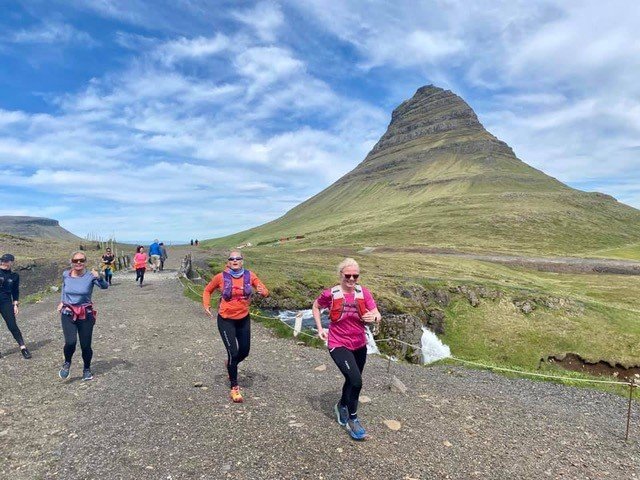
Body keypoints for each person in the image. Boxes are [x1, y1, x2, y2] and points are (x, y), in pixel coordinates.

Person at [312, 258, 381, 441]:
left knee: (352, 379)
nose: (351, 279)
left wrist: (374, 318)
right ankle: (353, 420)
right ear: (341, 275)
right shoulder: (331, 294)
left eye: (355, 276)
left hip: (359, 344)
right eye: (347, 275)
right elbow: (316, 306)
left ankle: (341, 405)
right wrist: (320, 328)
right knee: (357, 381)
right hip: (338, 343)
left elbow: (376, 313)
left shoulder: (363, 293)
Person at [202, 250, 269, 403]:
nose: (235, 261)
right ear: (228, 262)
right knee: (233, 352)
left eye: (238, 258)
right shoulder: (220, 277)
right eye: (232, 259)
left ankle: (231, 364)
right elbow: (207, 290)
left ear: (242, 261)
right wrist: (206, 305)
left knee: (244, 352)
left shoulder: (250, 276)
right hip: (226, 320)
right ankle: (234, 387)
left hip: (243, 318)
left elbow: (265, 291)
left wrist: (262, 291)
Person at [57, 251, 108, 380]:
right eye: (75, 261)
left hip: (86, 314)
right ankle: (67, 363)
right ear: (71, 262)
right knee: (70, 342)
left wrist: (99, 277)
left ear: (85, 262)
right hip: (68, 313)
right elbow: (64, 288)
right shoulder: (66, 274)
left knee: (85, 345)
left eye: (81, 260)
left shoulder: (91, 276)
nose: (78, 263)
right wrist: (62, 301)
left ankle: (86, 368)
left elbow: (105, 287)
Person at [0, 254, 31, 359]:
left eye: (6, 261)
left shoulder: (14, 276)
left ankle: (23, 348)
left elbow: (15, 291)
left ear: (11, 262)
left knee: (12, 325)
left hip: (5, 302)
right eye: (2, 261)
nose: (3, 263)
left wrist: (16, 305)